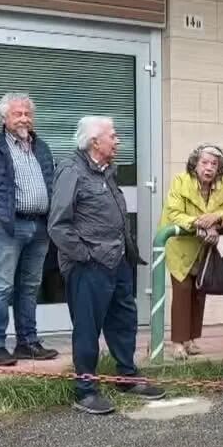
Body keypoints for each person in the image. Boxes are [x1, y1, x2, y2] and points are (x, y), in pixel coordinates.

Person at [48, 116, 165, 415]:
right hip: (89, 265)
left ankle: (126, 376)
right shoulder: (71, 170)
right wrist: (85, 256)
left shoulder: (106, 172)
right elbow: (58, 225)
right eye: (113, 136)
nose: (118, 140)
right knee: (87, 329)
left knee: (123, 320)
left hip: (117, 261)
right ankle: (85, 390)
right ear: (94, 141)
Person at [0, 92, 58, 367]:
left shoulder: (42, 148)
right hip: (7, 225)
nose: (24, 118)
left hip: (39, 225)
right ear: (4, 118)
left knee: (29, 287)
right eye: (18, 114)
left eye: (28, 113)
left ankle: (27, 343)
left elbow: (51, 182)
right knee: (1, 287)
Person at [158, 143, 223, 359]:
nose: (209, 168)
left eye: (214, 164)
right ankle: (178, 343)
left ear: (219, 168)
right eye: (204, 163)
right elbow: (174, 213)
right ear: (195, 164)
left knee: (199, 292)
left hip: (203, 247)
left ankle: (190, 340)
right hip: (180, 245)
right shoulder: (180, 181)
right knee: (182, 291)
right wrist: (200, 223)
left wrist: (217, 219)